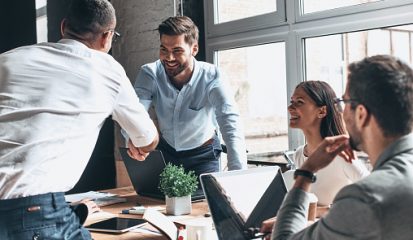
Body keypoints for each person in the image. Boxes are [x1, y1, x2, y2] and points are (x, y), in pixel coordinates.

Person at [0, 0, 159, 239]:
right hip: (35, 213)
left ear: (64, 27)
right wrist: (138, 143)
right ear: (106, 37)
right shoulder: (106, 69)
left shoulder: (8, 60)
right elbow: (148, 140)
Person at [260, 55, 413, 239]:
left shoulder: (364, 197)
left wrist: (306, 172)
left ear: (361, 114)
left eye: (344, 103)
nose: (340, 111)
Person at [133, 16, 247, 178]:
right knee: (159, 202)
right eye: (164, 49)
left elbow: (230, 122)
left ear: (194, 49)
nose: (169, 57)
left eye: (177, 51)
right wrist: (134, 140)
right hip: (166, 153)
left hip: (203, 156)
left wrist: (238, 175)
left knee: (206, 202)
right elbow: (135, 112)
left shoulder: (213, 76)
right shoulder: (150, 73)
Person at [287, 80, 369, 206]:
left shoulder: (340, 154)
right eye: (292, 101)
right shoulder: (299, 154)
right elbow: (309, 204)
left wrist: (321, 212)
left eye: (299, 102)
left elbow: (374, 193)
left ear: (321, 111)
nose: (290, 108)